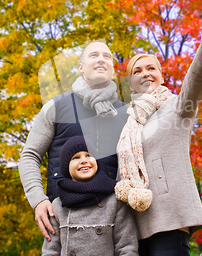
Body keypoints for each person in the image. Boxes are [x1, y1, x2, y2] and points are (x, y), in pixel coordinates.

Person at [114, 0, 202, 256]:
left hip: (169, 221)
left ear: (160, 74)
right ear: (129, 81)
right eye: (137, 70)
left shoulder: (178, 107)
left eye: (151, 68)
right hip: (130, 227)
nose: (145, 73)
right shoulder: (124, 120)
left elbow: (198, 75)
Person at [19, 41, 128, 241]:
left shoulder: (126, 113)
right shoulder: (56, 107)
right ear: (81, 67)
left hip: (113, 219)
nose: (101, 59)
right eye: (94, 55)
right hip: (63, 217)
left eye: (107, 56)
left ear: (113, 68)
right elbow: (29, 155)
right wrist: (38, 200)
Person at [39, 136, 139, 256]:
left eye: (89, 155)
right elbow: (49, 255)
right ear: (66, 166)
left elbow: (126, 249)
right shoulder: (58, 205)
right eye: (76, 157)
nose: (84, 161)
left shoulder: (114, 200)